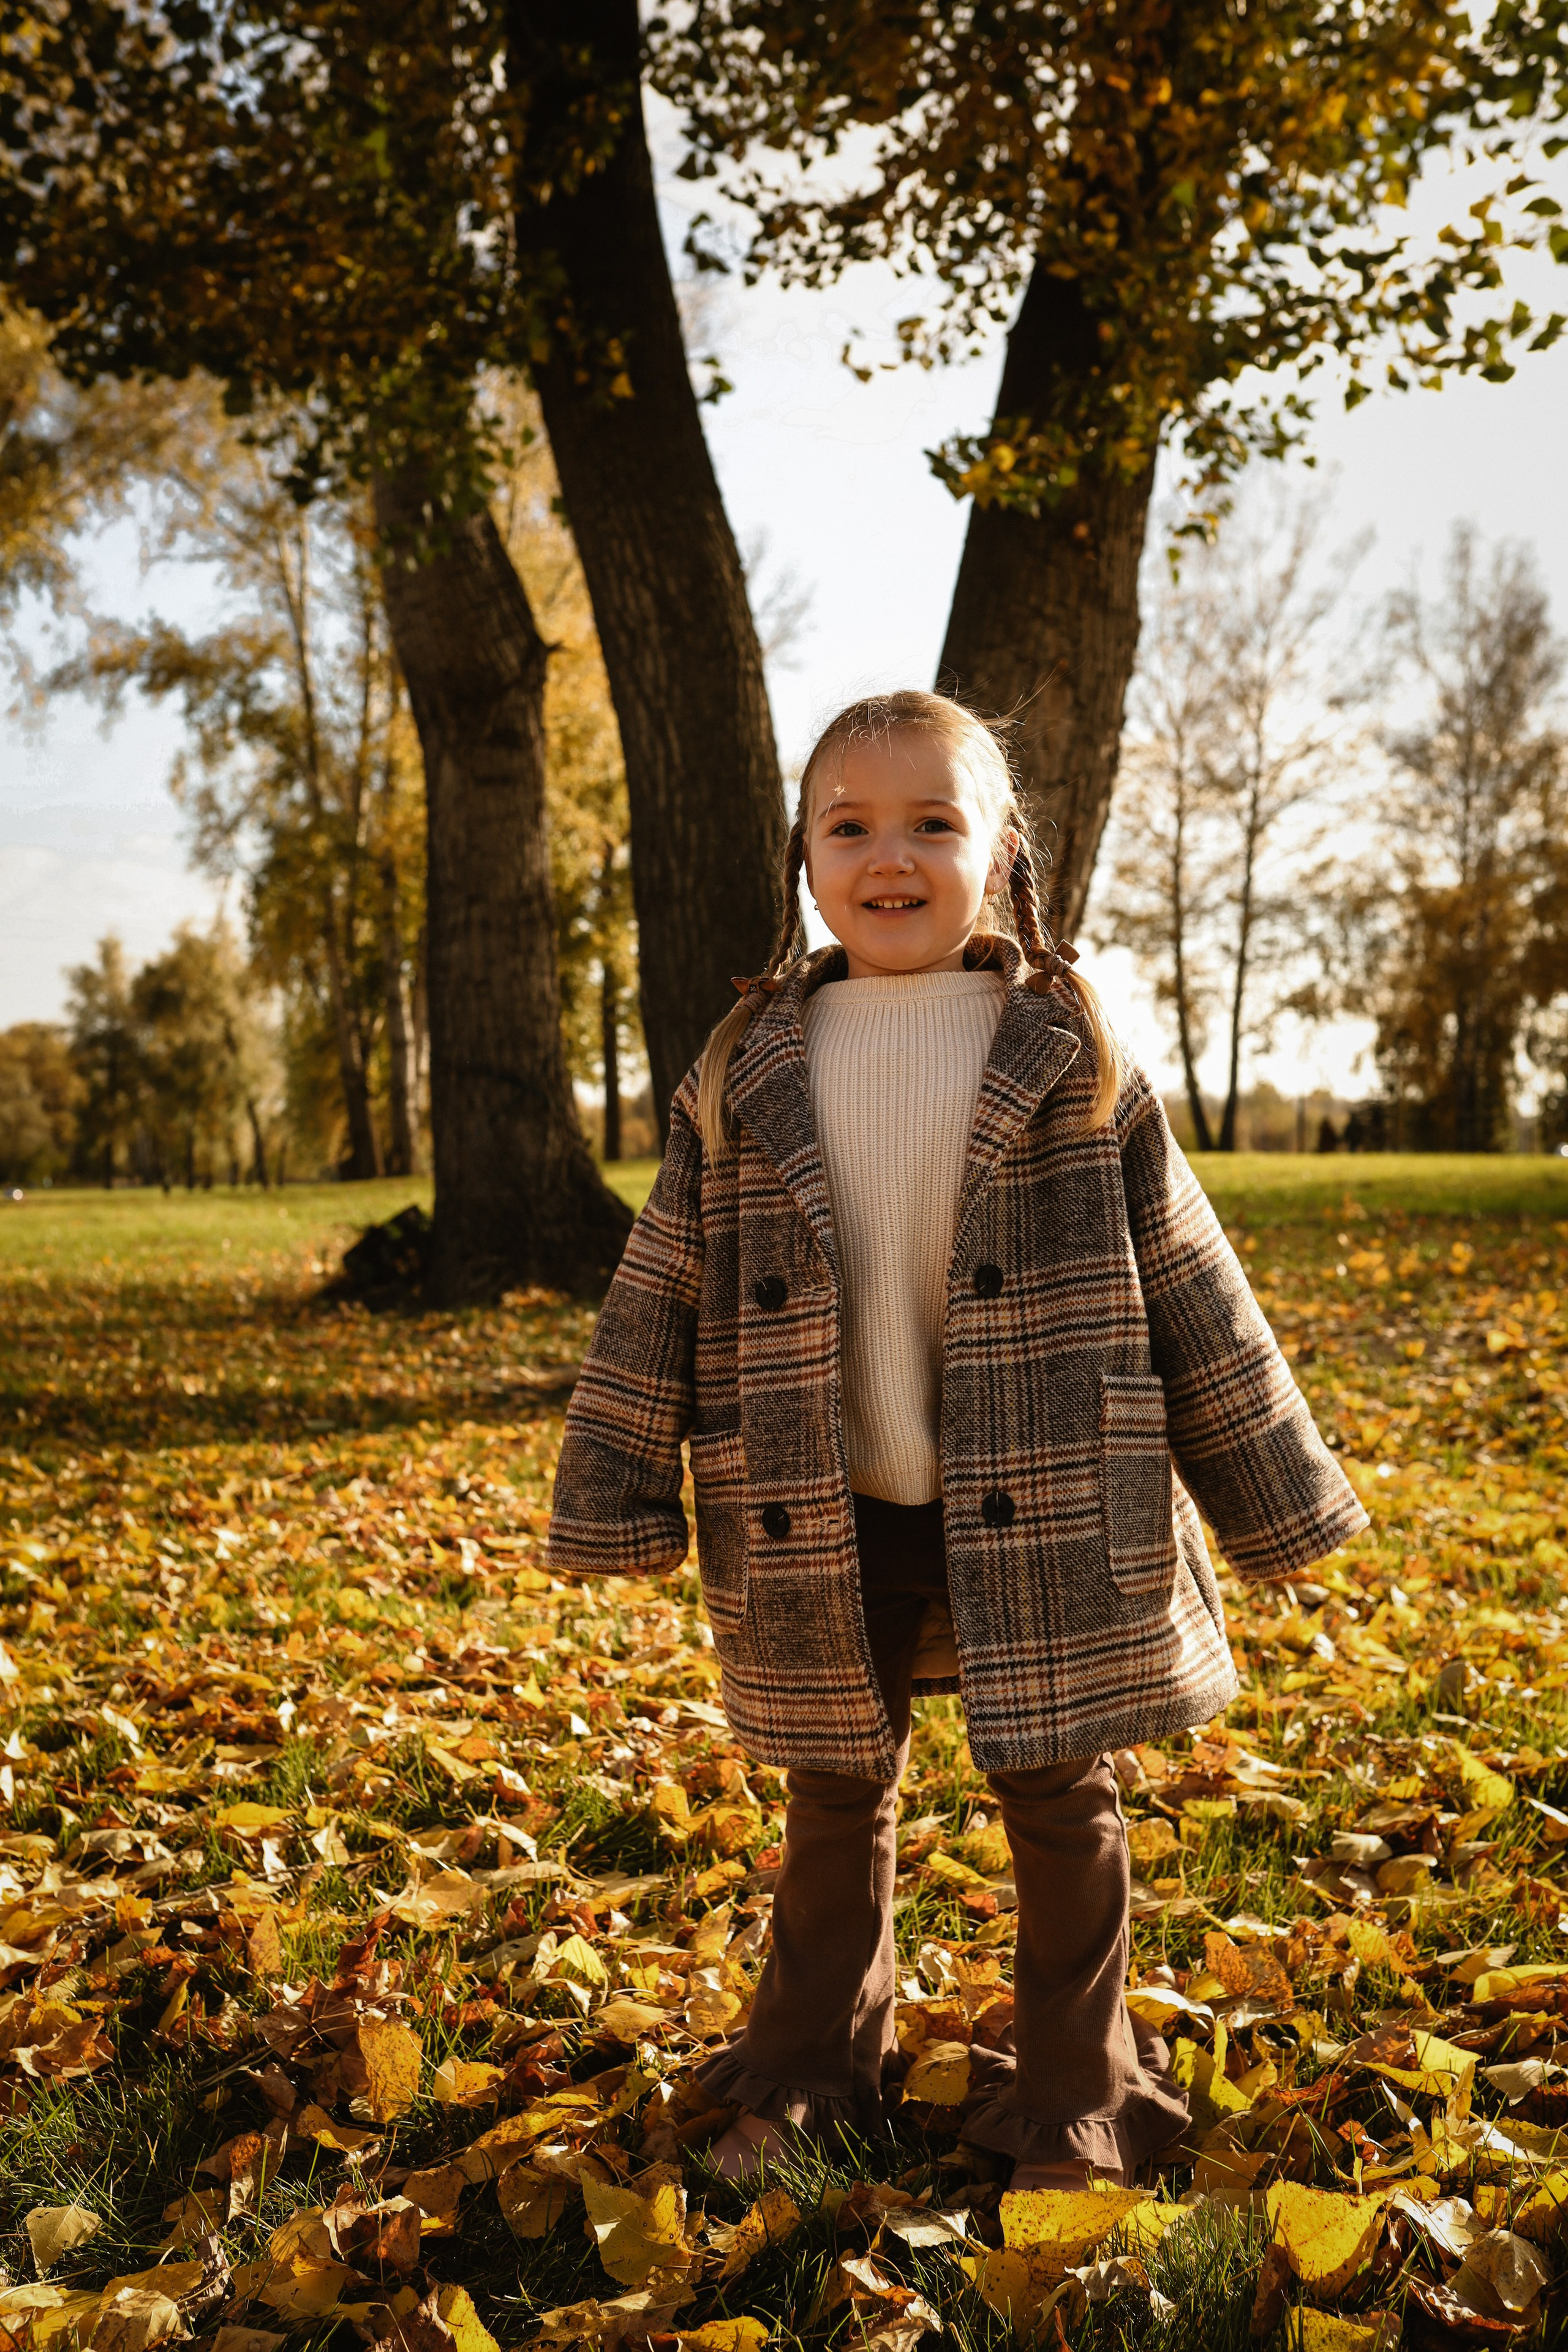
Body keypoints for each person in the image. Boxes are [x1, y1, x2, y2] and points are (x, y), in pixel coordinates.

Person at [548, 690, 1366, 2188]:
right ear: (802, 860)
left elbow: (1188, 1279)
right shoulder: (744, 1064)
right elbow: (657, 1281)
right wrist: (612, 1491)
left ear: (1001, 856)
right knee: (829, 1787)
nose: (892, 857)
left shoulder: (1067, 1049)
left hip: (1052, 1490)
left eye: (934, 822)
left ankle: (1078, 2087)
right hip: (815, 1496)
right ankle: (804, 2068)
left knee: (1062, 1793)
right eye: (848, 826)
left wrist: (1275, 1501)